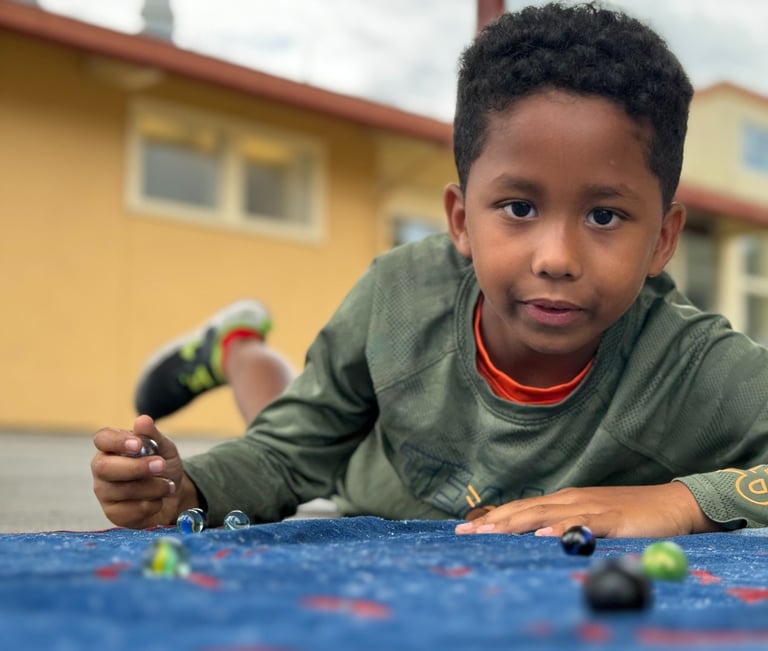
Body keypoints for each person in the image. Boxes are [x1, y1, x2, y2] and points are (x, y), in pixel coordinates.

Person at [92, 1, 768, 537]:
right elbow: (284, 455)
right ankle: (237, 347)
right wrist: (187, 488)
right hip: (372, 470)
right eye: (518, 206)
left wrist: (682, 500)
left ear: (663, 239)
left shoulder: (690, 366)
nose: (556, 258)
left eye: (604, 217)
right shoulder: (399, 301)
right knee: (293, 424)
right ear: (460, 220)